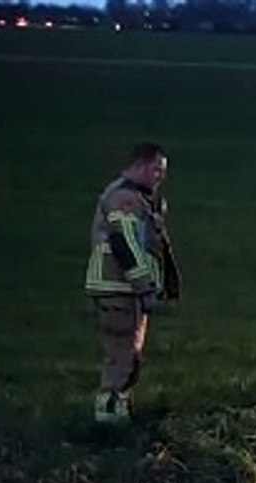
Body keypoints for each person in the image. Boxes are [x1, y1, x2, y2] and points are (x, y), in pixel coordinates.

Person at [83, 141, 181, 424]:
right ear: (138, 165)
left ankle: (118, 409)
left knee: (130, 354)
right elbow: (125, 243)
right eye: (155, 170)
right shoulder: (124, 199)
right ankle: (108, 415)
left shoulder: (139, 199)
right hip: (118, 288)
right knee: (122, 354)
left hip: (128, 290)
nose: (160, 177)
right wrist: (145, 286)